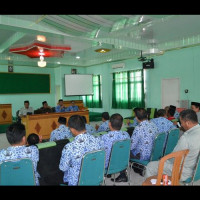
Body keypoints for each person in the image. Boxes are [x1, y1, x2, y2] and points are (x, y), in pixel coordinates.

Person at [145, 109, 200, 183]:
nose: (181, 125)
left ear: (187, 123)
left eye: (181, 122)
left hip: (184, 172)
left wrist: (163, 160)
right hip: (196, 170)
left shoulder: (186, 138)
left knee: (151, 166)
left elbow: (173, 158)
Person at [59, 115, 104, 185]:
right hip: (95, 176)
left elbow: (63, 168)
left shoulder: (69, 147)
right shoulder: (99, 140)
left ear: (72, 130)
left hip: (77, 182)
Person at [100, 113, 130, 182]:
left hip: (109, 165)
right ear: (122, 124)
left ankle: (107, 174)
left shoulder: (105, 137)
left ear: (109, 124)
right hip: (123, 163)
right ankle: (123, 175)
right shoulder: (126, 134)